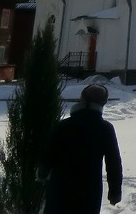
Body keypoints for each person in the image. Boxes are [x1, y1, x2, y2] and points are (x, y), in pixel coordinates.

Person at [44, 83, 123, 213]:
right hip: (89, 191)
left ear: (81, 98)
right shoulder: (105, 129)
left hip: (59, 189)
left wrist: (43, 171)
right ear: (103, 103)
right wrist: (115, 191)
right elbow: (113, 162)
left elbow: (48, 153)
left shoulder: (62, 126)